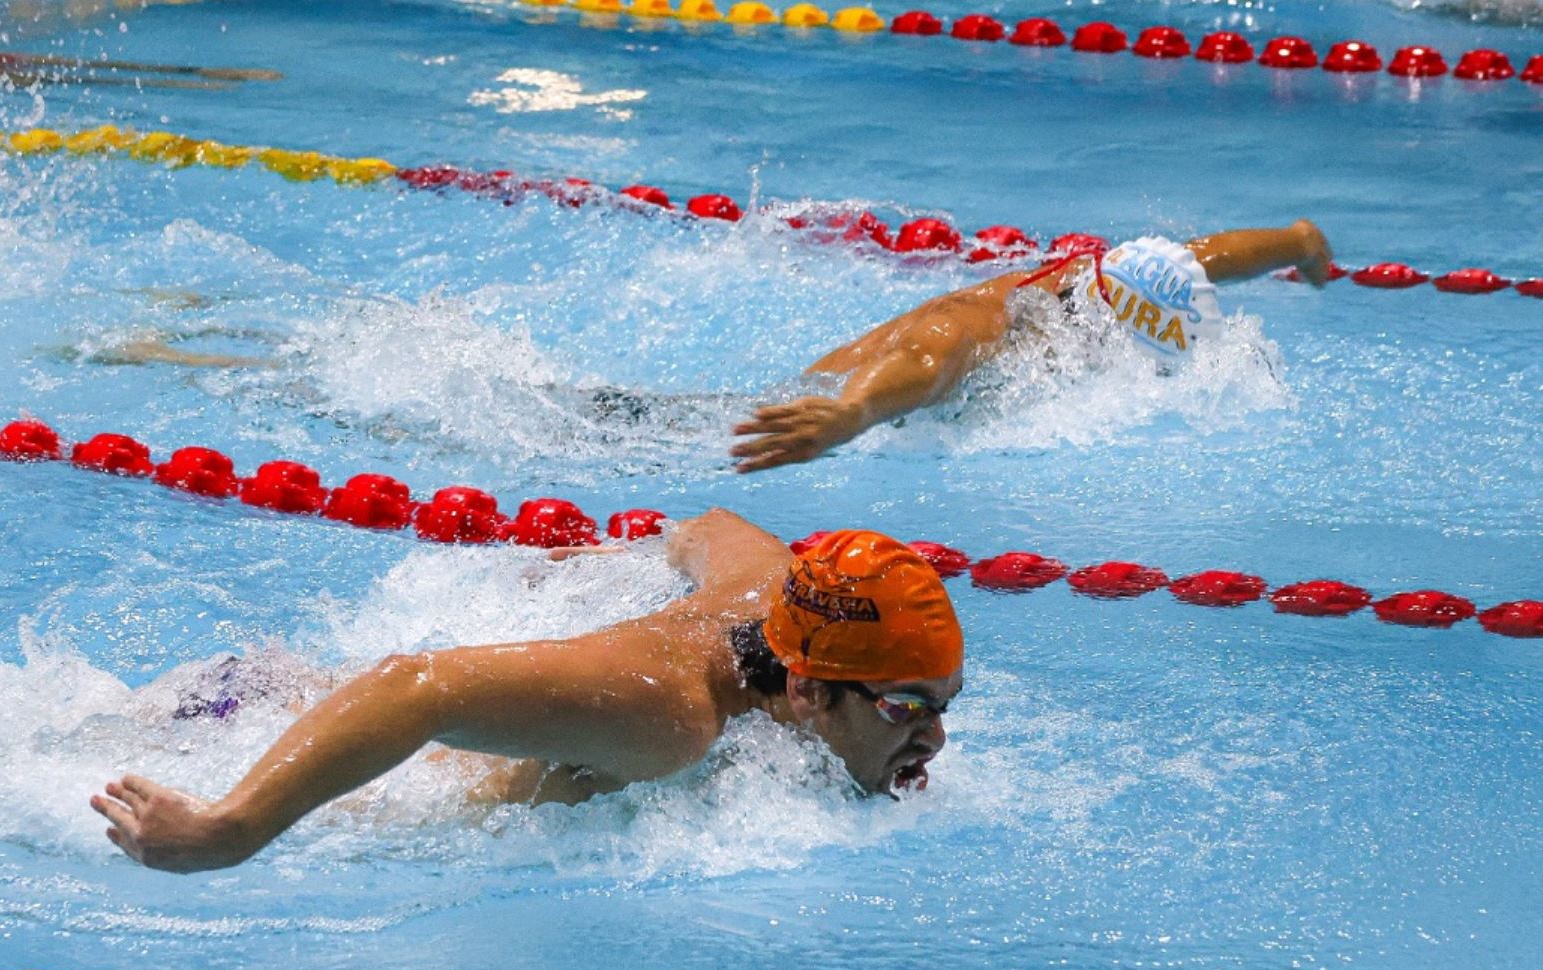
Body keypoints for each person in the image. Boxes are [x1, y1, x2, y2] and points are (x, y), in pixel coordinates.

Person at [91, 511, 965, 872]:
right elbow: (412, 687)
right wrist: (231, 828)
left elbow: (712, 528)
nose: (933, 741)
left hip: (286, 700)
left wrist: (606, 564)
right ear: (809, 689)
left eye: (942, 704)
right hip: (241, 733)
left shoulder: (772, 596)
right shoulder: (672, 719)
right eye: (904, 709)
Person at [730, 219, 1335, 472]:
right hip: (771, 422)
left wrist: (1298, 243)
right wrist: (853, 413)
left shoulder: (1104, 276)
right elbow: (928, 357)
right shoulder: (986, 322)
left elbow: (1206, 257)